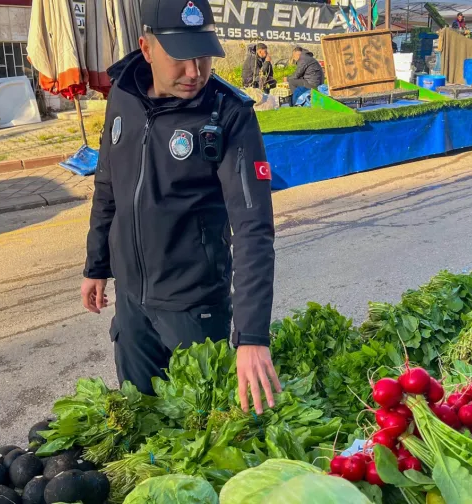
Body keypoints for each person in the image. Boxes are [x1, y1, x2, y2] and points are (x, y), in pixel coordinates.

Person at [81, 0, 281, 414]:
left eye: (204, 56)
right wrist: (96, 264)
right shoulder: (123, 93)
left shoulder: (229, 113)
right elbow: (108, 184)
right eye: (181, 57)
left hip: (195, 308)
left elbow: (253, 227)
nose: (195, 72)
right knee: (139, 424)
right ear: (146, 47)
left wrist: (251, 336)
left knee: (201, 434)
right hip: (132, 303)